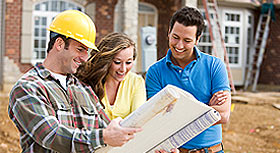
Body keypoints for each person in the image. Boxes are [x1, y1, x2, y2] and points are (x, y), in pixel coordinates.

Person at [8, 10, 142, 153]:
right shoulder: (28, 88)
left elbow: (108, 129)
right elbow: (52, 136)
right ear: (59, 44)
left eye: (86, 51)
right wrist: (103, 137)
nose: (85, 58)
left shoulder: (83, 88)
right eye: (80, 49)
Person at [145, 6, 231, 153]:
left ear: (197, 39)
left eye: (187, 40)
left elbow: (223, 115)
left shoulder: (215, 66)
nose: (179, 45)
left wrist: (177, 110)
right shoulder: (155, 72)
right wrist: (206, 108)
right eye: (175, 37)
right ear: (169, 33)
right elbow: (158, 118)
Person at [76, 32, 146, 120]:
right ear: (106, 60)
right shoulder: (90, 80)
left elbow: (138, 118)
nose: (123, 69)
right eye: (117, 62)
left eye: (128, 62)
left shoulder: (136, 82)